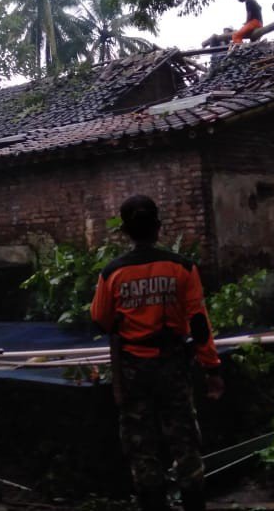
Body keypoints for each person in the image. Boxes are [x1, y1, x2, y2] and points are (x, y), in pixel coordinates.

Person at [90, 195, 224, 511]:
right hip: (174, 366)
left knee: (141, 444)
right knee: (185, 439)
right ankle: (193, 502)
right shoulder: (183, 268)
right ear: (159, 228)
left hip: (133, 370)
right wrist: (212, 370)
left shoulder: (112, 274)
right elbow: (199, 324)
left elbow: (101, 319)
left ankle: (153, 504)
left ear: (125, 231)